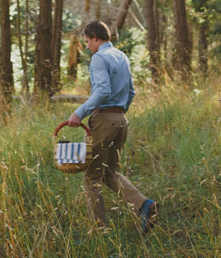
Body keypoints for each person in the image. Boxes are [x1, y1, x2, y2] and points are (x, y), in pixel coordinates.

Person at [62, 20, 158, 232]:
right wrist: (119, 114)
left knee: (92, 177)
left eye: (87, 41)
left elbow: (103, 91)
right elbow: (131, 92)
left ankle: (98, 230)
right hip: (121, 120)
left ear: (95, 37)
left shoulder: (99, 57)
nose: (86, 46)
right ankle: (145, 205)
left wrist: (79, 113)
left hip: (104, 120)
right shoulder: (121, 56)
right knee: (109, 172)